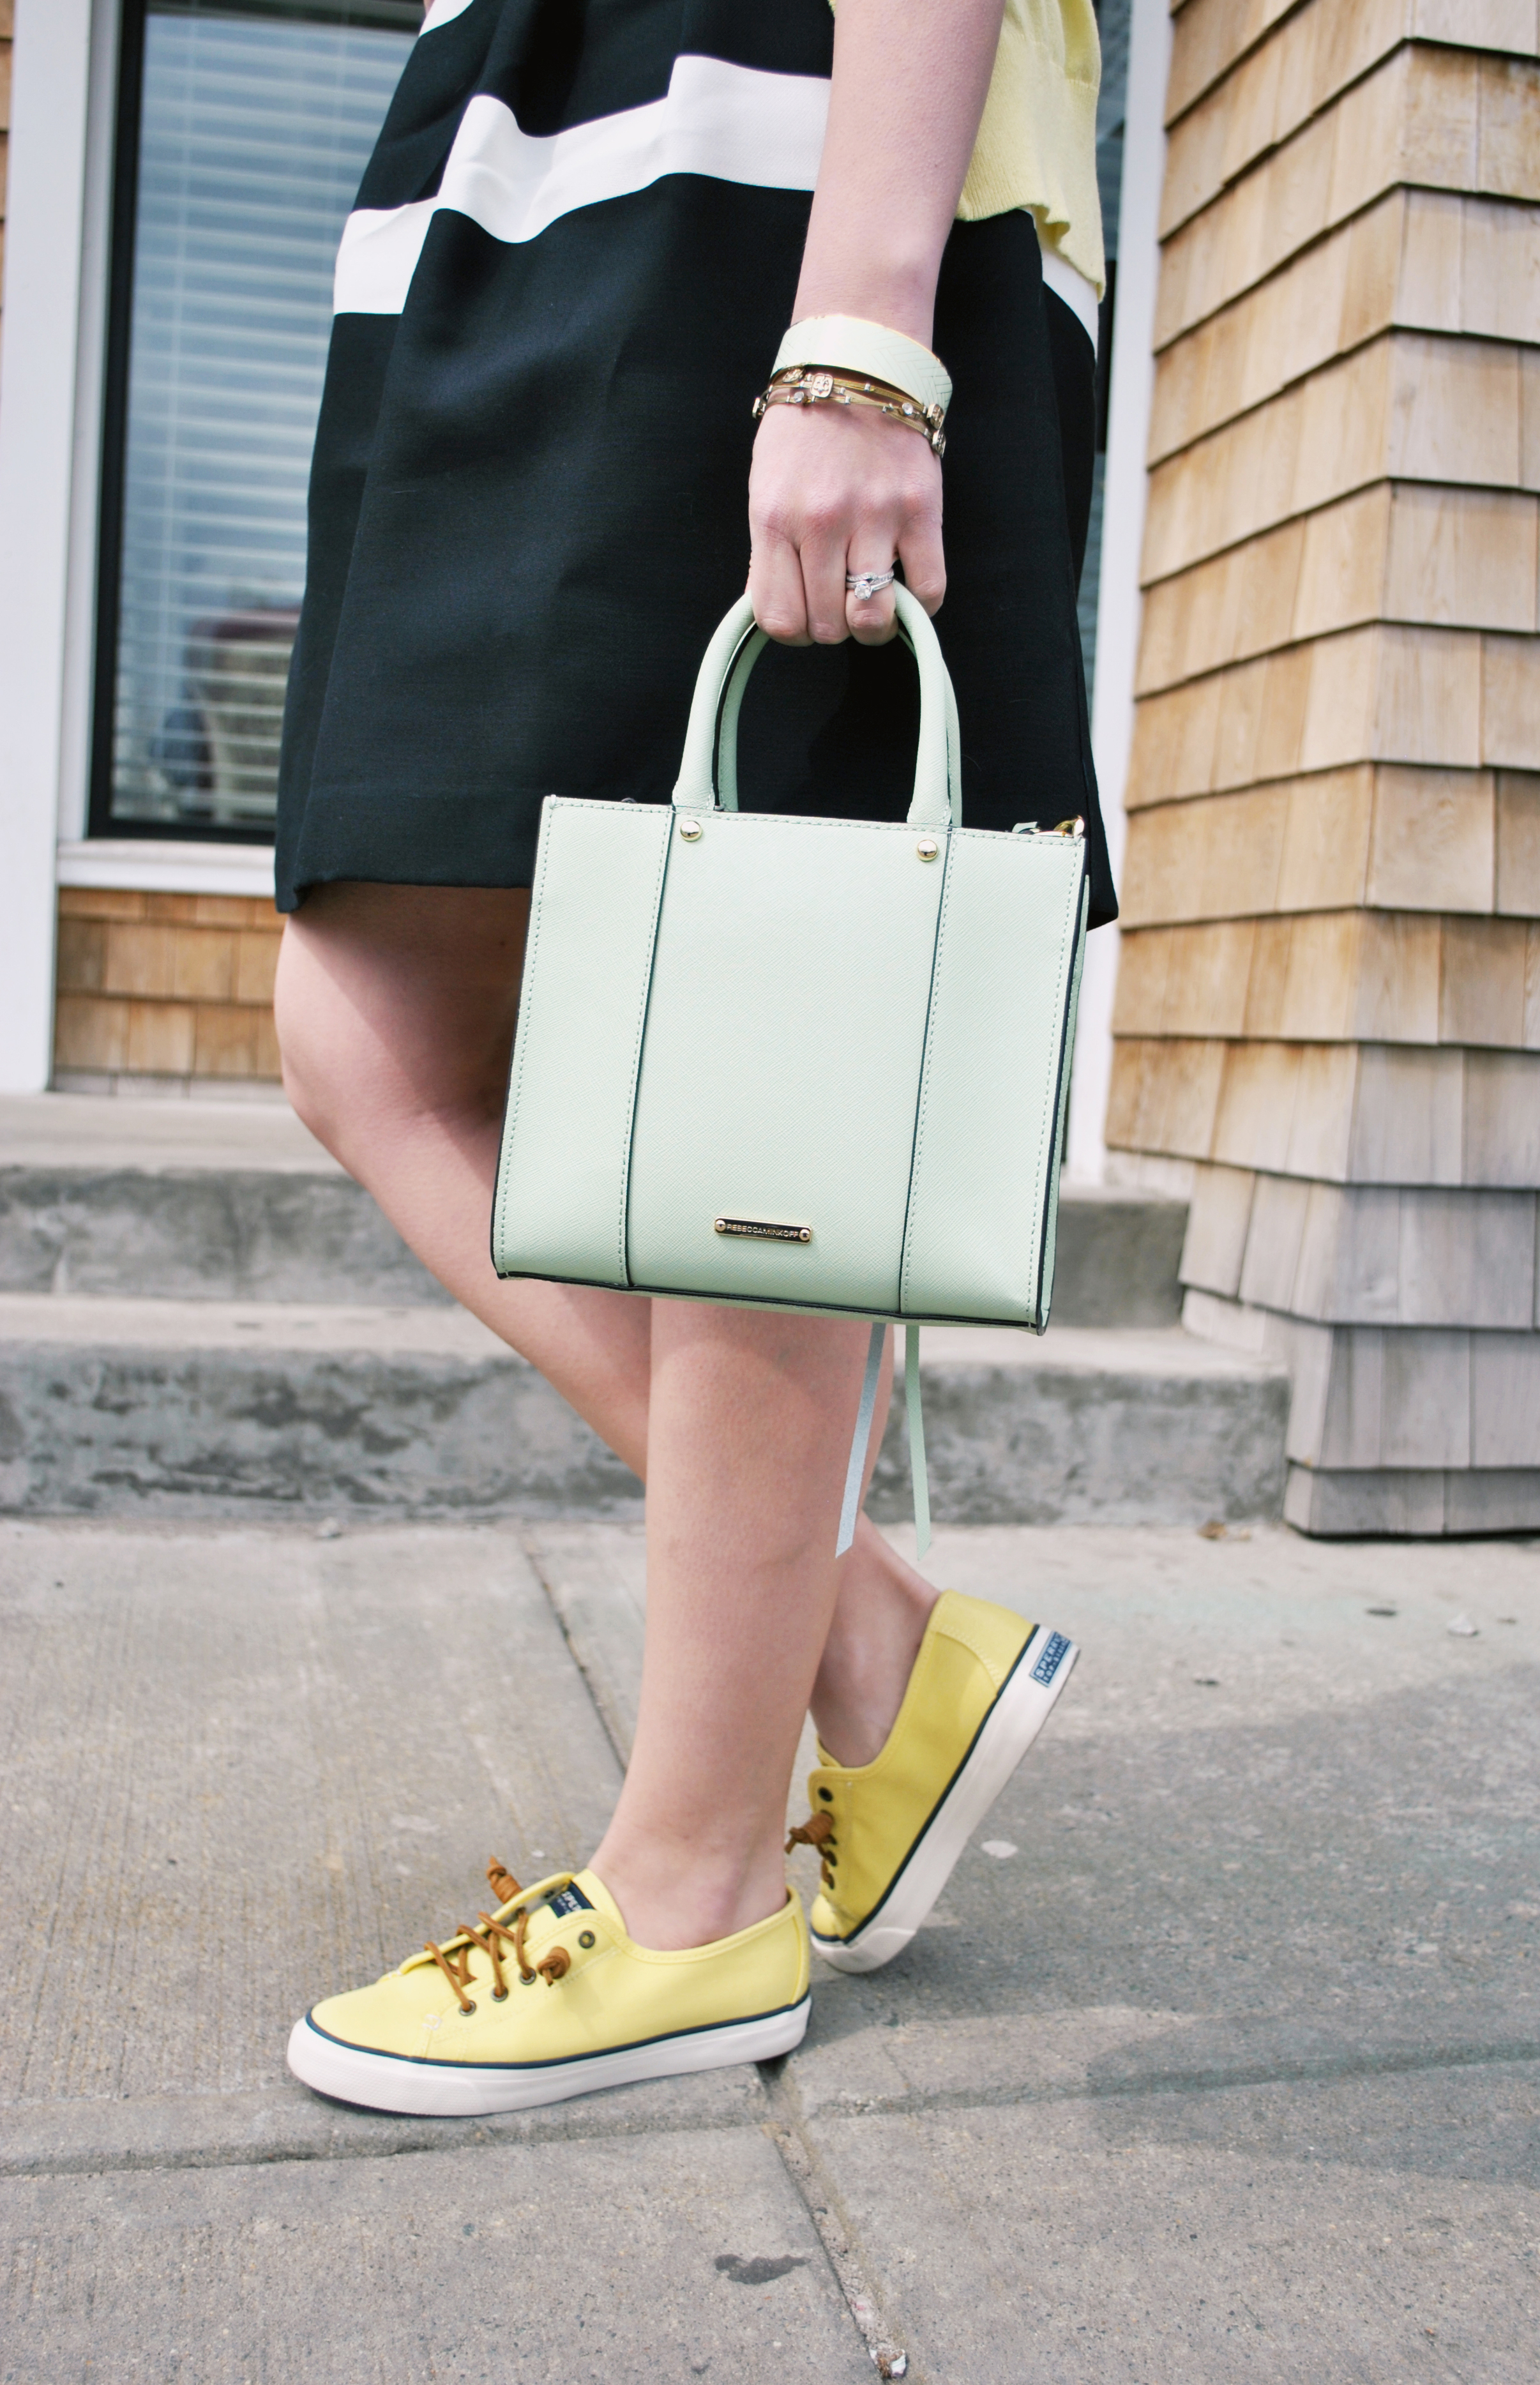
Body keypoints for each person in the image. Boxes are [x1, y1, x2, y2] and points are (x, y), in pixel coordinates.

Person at [274, 0, 1114, 2114]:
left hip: (782, 158)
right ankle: (866, 1644)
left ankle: (693, 1893)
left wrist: (858, 335)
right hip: (512, 183)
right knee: (361, 1024)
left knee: (774, 1008)